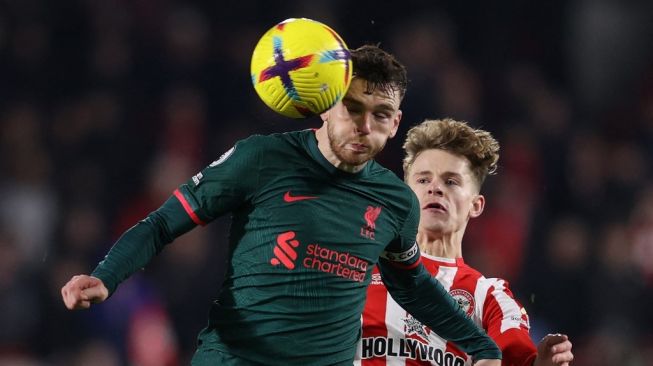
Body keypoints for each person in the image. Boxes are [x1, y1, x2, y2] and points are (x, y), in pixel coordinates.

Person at [61, 45, 502, 366]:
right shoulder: (261, 159)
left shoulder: (397, 202)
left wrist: (481, 346)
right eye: (352, 108)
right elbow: (162, 224)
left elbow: (412, 286)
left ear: (396, 122)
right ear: (326, 104)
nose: (365, 126)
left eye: (381, 114)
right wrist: (106, 277)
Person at [356, 118, 574, 366]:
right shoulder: (358, 266)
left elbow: (515, 356)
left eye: (451, 181)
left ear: (476, 205)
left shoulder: (489, 297)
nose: (435, 188)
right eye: (423, 180)